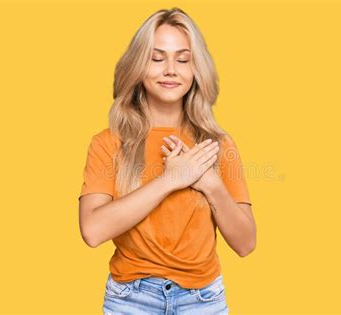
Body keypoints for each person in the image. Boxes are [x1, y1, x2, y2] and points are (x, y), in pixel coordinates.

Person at [78, 7, 256, 315]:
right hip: (130, 299)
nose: (170, 69)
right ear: (137, 66)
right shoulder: (107, 143)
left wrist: (210, 183)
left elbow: (245, 243)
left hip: (203, 300)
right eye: (157, 58)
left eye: (183, 59)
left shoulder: (218, 145)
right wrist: (171, 179)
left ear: (196, 69)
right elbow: (92, 231)